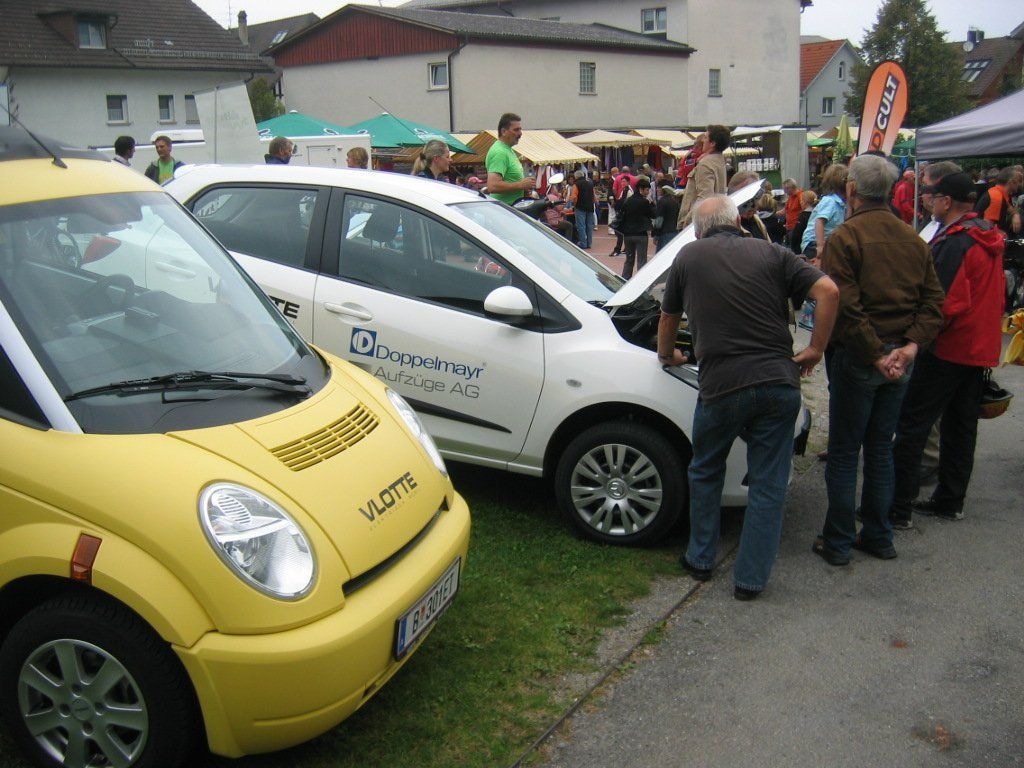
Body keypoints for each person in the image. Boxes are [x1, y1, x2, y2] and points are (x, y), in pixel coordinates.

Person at [658, 195, 838, 600]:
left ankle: (700, 559)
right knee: (768, 484)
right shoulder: (774, 253)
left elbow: (668, 317)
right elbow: (829, 291)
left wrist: (667, 355)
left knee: (706, 469)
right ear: (737, 221)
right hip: (778, 383)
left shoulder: (689, 256)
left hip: (722, 386)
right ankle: (750, 581)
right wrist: (816, 348)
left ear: (698, 231)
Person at [813, 154, 944, 567]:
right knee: (880, 450)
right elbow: (933, 303)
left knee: (844, 453)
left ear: (852, 189)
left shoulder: (846, 238)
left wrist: (880, 355)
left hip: (863, 358)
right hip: (896, 357)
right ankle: (878, 534)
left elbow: (846, 308)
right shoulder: (913, 238)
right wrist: (908, 348)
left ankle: (839, 541)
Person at [889, 168, 1005, 527]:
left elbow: (945, 303)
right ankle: (950, 501)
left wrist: (915, 340)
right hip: (978, 346)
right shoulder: (987, 235)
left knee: (913, 423)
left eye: (934, 197)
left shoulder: (957, 241)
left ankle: (899, 508)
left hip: (949, 346)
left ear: (947, 201)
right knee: (960, 427)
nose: (930, 203)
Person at [676, 125, 730, 230]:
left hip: (696, 226)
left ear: (713, 143)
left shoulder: (705, 164)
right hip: (711, 221)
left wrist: (687, 223)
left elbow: (704, 198)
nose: (703, 140)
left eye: (705, 137)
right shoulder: (719, 160)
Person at [800, 163, 848, 263]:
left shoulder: (841, 203)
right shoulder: (830, 201)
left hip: (827, 242)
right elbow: (819, 222)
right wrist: (820, 245)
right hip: (814, 243)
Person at [485, 113, 535, 205]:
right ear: (504, 131)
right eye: (516, 130)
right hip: (503, 210)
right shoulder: (500, 152)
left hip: (510, 209)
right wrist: (520, 185)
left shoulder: (508, 150)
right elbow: (493, 186)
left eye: (520, 129)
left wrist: (523, 189)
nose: (520, 133)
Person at [617, 176, 655, 279]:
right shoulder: (644, 202)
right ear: (641, 189)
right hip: (641, 234)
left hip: (628, 234)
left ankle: (625, 279)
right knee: (641, 260)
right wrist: (651, 203)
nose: (648, 192)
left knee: (629, 260)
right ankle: (640, 281)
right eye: (647, 190)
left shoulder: (628, 201)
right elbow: (653, 214)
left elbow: (622, 213)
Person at [975, 167, 1022, 234]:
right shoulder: (996, 197)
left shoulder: (1001, 193)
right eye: (1018, 181)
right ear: (1011, 182)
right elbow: (987, 227)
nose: (1019, 184)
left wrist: (1016, 215)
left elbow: (1010, 208)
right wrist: (1004, 236)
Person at [573, 169, 596, 249]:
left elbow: (574, 197)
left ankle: (583, 243)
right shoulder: (590, 183)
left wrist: (574, 205)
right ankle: (589, 243)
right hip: (590, 206)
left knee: (581, 226)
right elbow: (593, 195)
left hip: (580, 207)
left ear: (576, 177)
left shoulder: (576, 184)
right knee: (589, 226)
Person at [789, 190, 817, 254]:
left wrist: (793, 244)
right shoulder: (817, 214)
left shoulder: (803, 216)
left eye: (801, 200)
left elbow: (797, 232)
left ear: (805, 202)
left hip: (802, 245)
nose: (800, 202)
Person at [654, 185, 681, 251]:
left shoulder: (662, 201)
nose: (657, 190)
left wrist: (656, 234)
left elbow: (659, 220)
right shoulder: (676, 201)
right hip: (675, 230)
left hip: (665, 232)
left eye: (659, 188)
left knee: (662, 253)